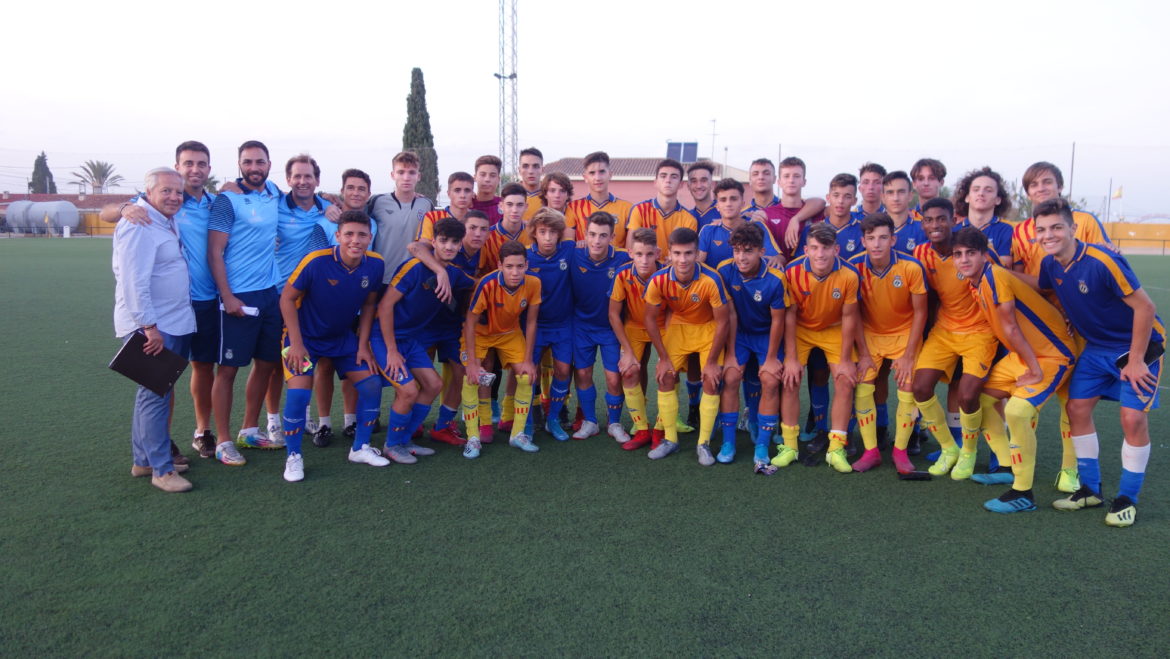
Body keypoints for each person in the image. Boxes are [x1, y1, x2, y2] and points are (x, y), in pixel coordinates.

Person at [1036, 197, 1163, 526]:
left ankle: (1127, 499)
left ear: (1073, 228)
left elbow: (1145, 308)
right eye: (1041, 229)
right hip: (1096, 348)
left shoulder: (1101, 260)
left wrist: (1135, 361)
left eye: (1056, 228)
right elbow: (1046, 291)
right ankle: (1090, 490)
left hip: (1138, 344)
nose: (1048, 235)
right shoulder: (1050, 264)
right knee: (1076, 409)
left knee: (1132, 419)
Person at [102, 141, 219, 463]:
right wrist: (124, 207)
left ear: (209, 170)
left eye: (201, 164)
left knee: (182, 375)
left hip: (192, 307)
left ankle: (194, 436)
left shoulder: (204, 206)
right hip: (157, 318)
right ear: (178, 168)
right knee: (156, 388)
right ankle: (159, 456)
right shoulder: (140, 216)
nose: (195, 169)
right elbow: (132, 278)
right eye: (188, 163)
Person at [953, 226, 1076, 513]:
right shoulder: (978, 282)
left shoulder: (994, 277)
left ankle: (1023, 493)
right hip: (1022, 355)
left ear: (984, 255)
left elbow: (1010, 325)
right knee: (977, 400)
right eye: (958, 254)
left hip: (1051, 355)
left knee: (1017, 412)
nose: (964, 259)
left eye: (971, 253)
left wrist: (1033, 368)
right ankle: (1007, 465)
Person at [1011, 161, 1115, 492]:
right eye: (1033, 185)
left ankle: (1069, 468)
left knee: (1073, 400)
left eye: (1047, 182)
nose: (1040, 188)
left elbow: (1102, 266)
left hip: (1079, 323)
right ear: (1027, 192)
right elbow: (1032, 281)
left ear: (1060, 186)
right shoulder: (1019, 231)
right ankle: (1019, 468)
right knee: (1031, 394)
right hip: (1040, 326)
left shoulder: (1084, 222)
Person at [277, 211, 387, 481]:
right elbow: (287, 299)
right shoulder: (316, 261)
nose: (355, 240)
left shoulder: (375, 264)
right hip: (302, 339)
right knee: (299, 394)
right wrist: (297, 344)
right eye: (349, 234)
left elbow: (370, 304)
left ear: (369, 238)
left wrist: (362, 345)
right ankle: (293, 456)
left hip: (342, 339)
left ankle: (360, 448)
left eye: (362, 235)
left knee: (371, 384)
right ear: (337, 236)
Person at [112, 167, 197, 492]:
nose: (174, 197)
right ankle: (162, 470)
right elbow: (134, 282)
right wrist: (149, 327)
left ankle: (143, 460)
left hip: (171, 321)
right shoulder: (139, 224)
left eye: (178, 192)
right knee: (154, 394)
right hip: (153, 326)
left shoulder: (162, 219)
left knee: (155, 390)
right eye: (166, 191)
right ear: (148, 193)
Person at [370, 217, 477, 463]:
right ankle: (392, 444)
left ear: (460, 245)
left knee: (433, 385)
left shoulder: (454, 273)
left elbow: (478, 284)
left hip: (411, 340)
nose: (449, 246)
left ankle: (405, 439)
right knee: (408, 391)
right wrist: (391, 350)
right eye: (443, 241)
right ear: (433, 242)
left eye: (454, 242)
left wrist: (508, 274)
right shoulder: (413, 268)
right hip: (386, 339)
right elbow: (384, 307)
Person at [207, 140, 285, 464]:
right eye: (248, 162)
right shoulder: (227, 200)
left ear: (269, 164)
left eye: (260, 162)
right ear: (239, 164)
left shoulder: (274, 193)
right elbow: (214, 252)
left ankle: (249, 431)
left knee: (266, 364)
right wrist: (227, 296)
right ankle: (224, 442)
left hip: (271, 293)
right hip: (239, 295)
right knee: (227, 370)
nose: (254, 167)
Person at [911, 198, 1000, 477]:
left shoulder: (972, 251)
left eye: (941, 219)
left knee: (968, 394)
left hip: (980, 332)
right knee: (920, 388)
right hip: (944, 331)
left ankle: (969, 452)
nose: (935, 224)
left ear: (953, 220)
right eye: (929, 219)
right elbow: (927, 295)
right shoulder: (921, 253)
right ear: (922, 223)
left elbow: (1004, 286)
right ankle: (949, 448)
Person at [778, 223, 868, 473]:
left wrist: (846, 359)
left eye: (826, 248)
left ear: (836, 249)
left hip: (834, 328)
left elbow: (850, 317)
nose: (820, 254)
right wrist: (792, 358)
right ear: (806, 249)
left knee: (844, 380)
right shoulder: (792, 271)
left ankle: (836, 448)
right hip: (801, 329)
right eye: (815, 248)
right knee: (790, 379)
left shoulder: (849, 274)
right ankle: (789, 446)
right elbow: (790, 315)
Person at [644, 227, 732, 464]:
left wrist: (713, 362)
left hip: (708, 328)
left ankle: (703, 444)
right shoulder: (659, 279)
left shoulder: (711, 279)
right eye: (677, 253)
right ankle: (670, 440)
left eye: (688, 253)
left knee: (712, 381)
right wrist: (662, 358)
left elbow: (723, 321)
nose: (683, 260)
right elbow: (650, 318)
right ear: (669, 254)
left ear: (696, 254)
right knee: (665, 377)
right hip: (680, 327)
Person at [847, 214, 928, 474]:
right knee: (863, 387)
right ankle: (871, 451)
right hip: (869, 332)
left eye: (883, 237)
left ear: (893, 239)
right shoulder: (853, 267)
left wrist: (908, 355)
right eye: (870, 238)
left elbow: (921, 313)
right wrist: (865, 353)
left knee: (908, 387)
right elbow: (853, 314)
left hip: (905, 332)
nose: (877, 244)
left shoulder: (911, 267)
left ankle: (900, 452)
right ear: (863, 241)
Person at [308, 168, 374, 447]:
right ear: (342, 191)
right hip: (327, 305)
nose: (356, 193)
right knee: (324, 365)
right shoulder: (325, 220)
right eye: (351, 188)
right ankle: (324, 423)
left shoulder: (372, 221)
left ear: (368, 194)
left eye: (361, 189)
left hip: (358, 299)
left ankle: (350, 420)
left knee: (353, 362)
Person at [716, 223, 789, 470]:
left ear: (761, 250)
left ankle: (762, 445)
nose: (741, 257)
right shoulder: (725, 271)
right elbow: (728, 315)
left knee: (770, 379)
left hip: (766, 335)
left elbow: (779, 320)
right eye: (736, 251)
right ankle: (728, 443)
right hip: (739, 335)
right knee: (731, 377)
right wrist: (730, 354)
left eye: (747, 251)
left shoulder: (776, 278)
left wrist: (770, 358)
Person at [461, 240, 541, 458]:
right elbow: (470, 321)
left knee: (526, 376)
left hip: (509, 334)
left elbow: (532, 322)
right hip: (479, 334)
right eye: (509, 267)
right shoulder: (487, 284)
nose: (514, 272)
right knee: (472, 378)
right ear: (499, 265)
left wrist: (528, 360)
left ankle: (517, 435)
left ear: (526, 265)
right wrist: (472, 364)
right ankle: (473, 438)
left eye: (519, 266)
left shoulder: (534, 283)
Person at [570, 211, 633, 441]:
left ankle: (614, 423)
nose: (597, 241)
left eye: (603, 235)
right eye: (593, 234)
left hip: (611, 329)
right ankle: (590, 421)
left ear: (612, 237)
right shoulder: (574, 254)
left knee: (614, 378)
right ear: (585, 234)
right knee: (584, 372)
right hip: (582, 326)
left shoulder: (624, 258)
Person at [522, 208, 577, 441]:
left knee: (564, 370)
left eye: (552, 232)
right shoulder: (524, 257)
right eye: (542, 232)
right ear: (534, 232)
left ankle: (553, 418)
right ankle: (523, 422)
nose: (547, 237)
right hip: (533, 325)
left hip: (563, 324)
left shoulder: (569, 251)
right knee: (528, 374)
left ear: (560, 234)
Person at [609, 228, 666, 450]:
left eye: (649, 254)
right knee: (629, 370)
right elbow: (613, 314)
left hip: (663, 327)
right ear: (630, 252)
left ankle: (661, 429)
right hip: (633, 326)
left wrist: (665, 354)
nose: (644, 260)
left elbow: (672, 311)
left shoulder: (666, 273)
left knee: (667, 373)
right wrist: (628, 351)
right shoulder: (622, 274)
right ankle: (641, 428)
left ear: (658, 253)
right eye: (639, 254)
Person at [369, 151, 433, 278]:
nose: (406, 177)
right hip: (382, 275)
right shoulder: (377, 201)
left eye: (412, 172)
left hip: (414, 276)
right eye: (401, 172)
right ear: (393, 175)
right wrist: (326, 197)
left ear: (418, 176)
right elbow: (352, 212)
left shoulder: (427, 204)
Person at [698, 178, 781, 269]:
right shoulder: (708, 231)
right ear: (717, 206)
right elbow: (697, 263)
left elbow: (779, 258)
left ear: (742, 203)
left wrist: (776, 260)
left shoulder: (757, 227)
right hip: (718, 282)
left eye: (733, 199)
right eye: (723, 200)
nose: (728, 204)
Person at [762, 157, 826, 260]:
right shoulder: (767, 214)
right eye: (786, 176)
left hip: (805, 273)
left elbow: (821, 202)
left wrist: (796, 218)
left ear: (804, 181)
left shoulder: (814, 211)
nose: (791, 180)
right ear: (779, 182)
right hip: (778, 273)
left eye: (796, 176)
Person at [565, 151, 633, 246]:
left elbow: (630, 250)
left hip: (617, 261)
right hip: (584, 260)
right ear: (585, 177)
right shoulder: (573, 207)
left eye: (602, 172)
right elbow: (568, 245)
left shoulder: (628, 208)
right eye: (592, 173)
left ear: (610, 174)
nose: (597, 178)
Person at [953, 166, 1013, 267]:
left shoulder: (1007, 230)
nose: (981, 193)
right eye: (976, 190)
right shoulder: (954, 232)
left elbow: (1004, 267)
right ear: (967, 197)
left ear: (998, 199)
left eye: (988, 190)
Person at [415, 171, 475, 242]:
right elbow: (422, 246)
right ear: (449, 193)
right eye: (457, 190)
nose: (462, 195)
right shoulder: (432, 217)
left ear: (472, 193)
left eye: (467, 190)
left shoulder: (477, 220)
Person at [685, 160, 719, 229]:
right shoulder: (686, 216)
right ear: (688, 186)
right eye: (694, 181)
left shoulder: (725, 212)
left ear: (712, 184)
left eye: (703, 180)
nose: (699, 186)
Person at [471, 154, 503, 225]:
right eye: (483, 175)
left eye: (492, 175)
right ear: (475, 177)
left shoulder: (505, 205)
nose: (487, 179)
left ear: (498, 179)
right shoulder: (467, 204)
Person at [519, 147, 545, 220]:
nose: (531, 171)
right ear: (519, 170)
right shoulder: (510, 196)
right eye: (525, 166)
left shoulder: (550, 197)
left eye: (535, 166)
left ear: (542, 170)